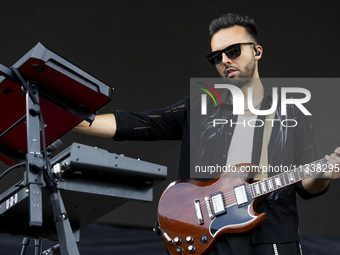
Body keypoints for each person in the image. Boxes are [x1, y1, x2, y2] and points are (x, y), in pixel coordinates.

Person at [73, 13, 340, 255]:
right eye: (216, 57)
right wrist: (69, 121)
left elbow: (309, 186)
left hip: (271, 238)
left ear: (257, 51)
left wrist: (323, 173)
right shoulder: (199, 108)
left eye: (233, 51)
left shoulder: (291, 112)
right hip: (208, 239)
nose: (225, 61)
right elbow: (137, 124)